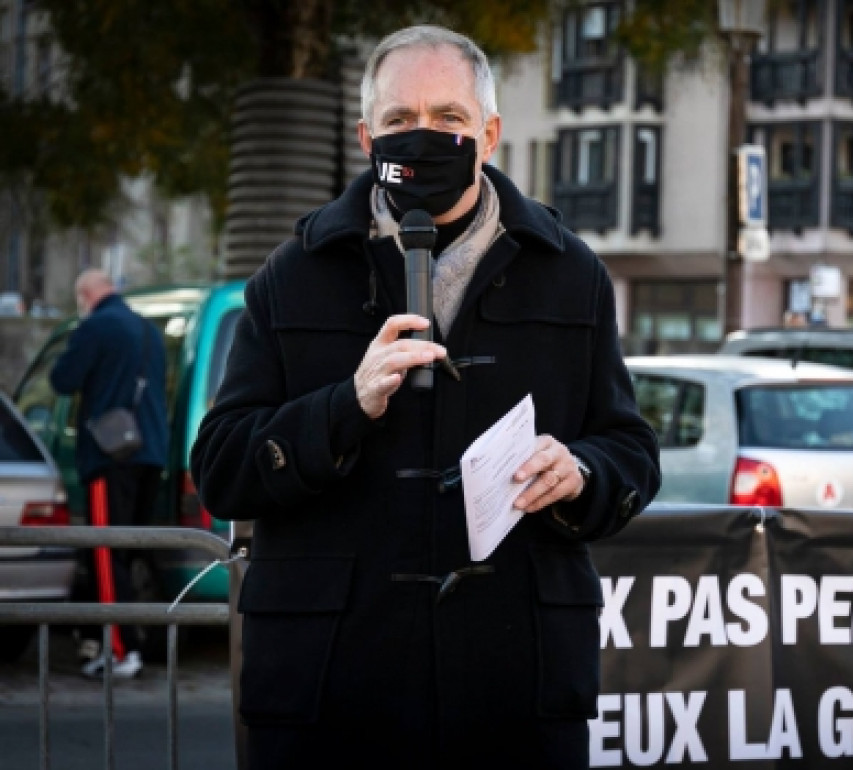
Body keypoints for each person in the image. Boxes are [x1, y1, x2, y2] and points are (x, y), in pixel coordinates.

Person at [190, 26, 660, 770]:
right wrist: (345, 405)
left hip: (513, 683)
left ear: (490, 134)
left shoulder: (571, 274)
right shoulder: (293, 273)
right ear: (365, 136)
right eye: (400, 121)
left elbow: (630, 450)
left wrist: (585, 474)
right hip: (333, 686)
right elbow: (221, 467)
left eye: (448, 119)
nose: (423, 137)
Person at [50, 268, 168, 679]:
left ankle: (123, 650)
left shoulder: (97, 325)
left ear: (86, 295)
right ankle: (120, 644)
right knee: (127, 553)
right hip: (152, 454)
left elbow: (62, 380)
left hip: (111, 454)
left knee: (105, 552)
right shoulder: (149, 330)